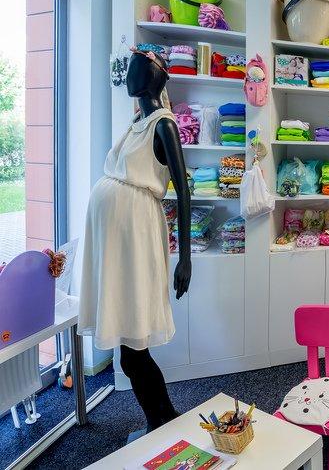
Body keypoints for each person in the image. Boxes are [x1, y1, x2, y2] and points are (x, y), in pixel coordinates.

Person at [78, 50, 192, 431]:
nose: (128, 74)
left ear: (154, 76)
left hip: (136, 240)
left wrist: (185, 258)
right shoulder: (137, 123)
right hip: (120, 243)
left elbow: (184, 191)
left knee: (132, 350)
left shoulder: (164, 125)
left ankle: (160, 422)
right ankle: (163, 419)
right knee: (129, 349)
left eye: (134, 68)